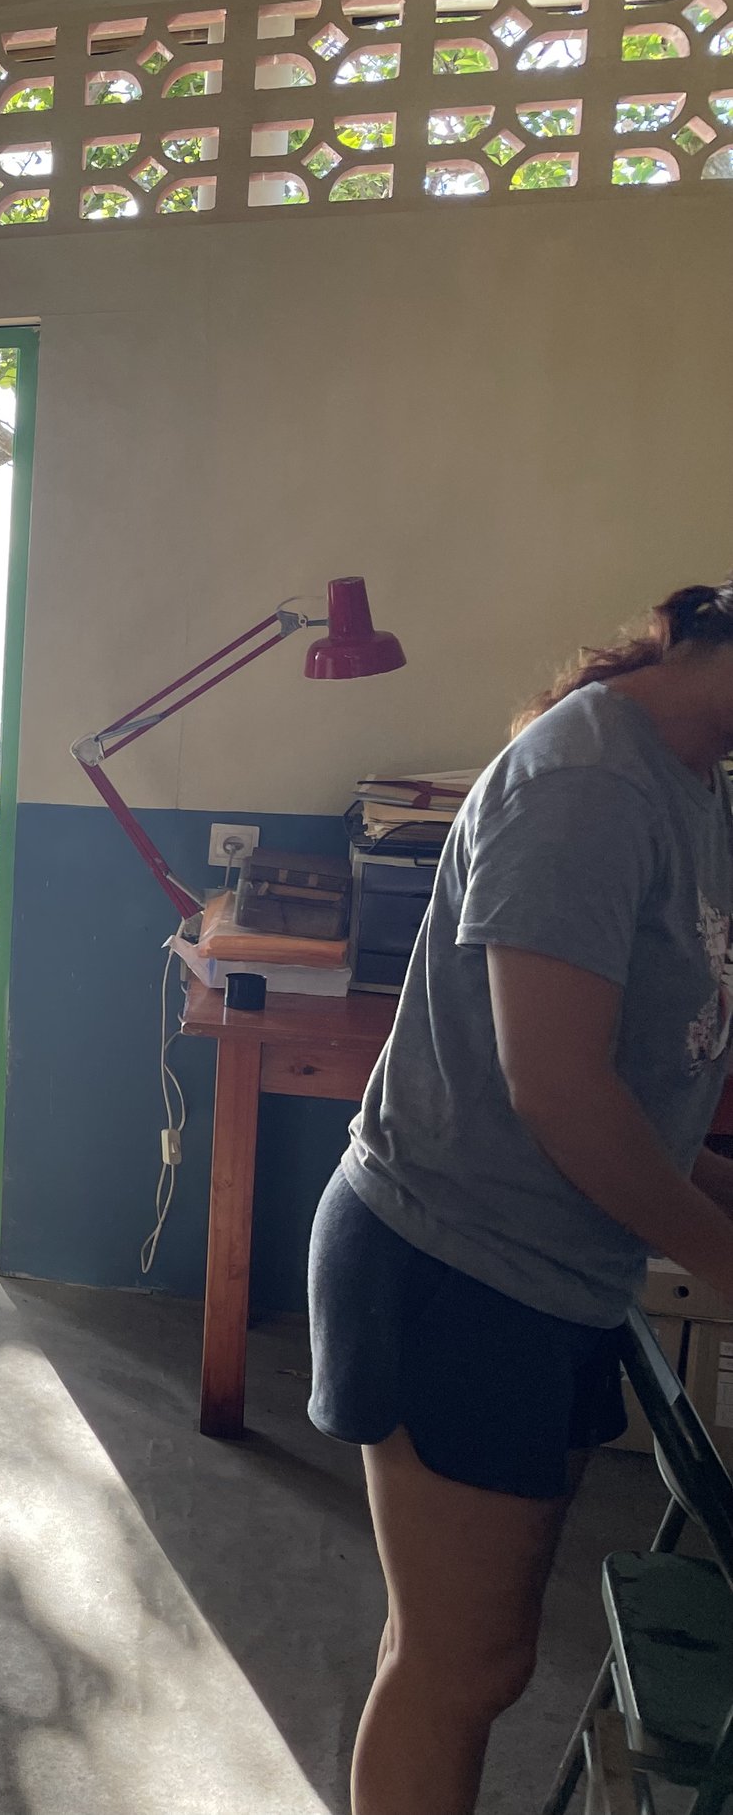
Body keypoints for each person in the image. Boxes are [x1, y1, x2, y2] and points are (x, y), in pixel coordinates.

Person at [309, 582, 733, 1815]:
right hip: (459, 1267)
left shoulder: (690, 776)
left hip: (546, 1274)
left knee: (460, 1659)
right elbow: (555, 1089)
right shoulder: (590, 781)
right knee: (459, 1669)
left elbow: (636, 1092)